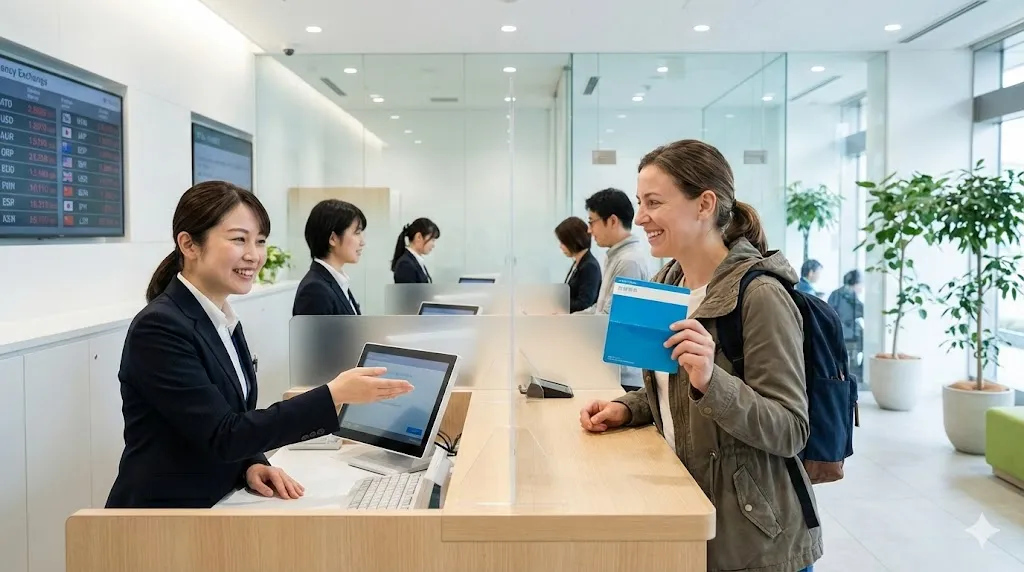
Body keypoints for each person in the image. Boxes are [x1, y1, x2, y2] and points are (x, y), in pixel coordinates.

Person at [579, 140, 820, 572]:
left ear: (704, 203)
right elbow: (673, 386)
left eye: (654, 202)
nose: (642, 217)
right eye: (639, 202)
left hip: (755, 543)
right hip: (687, 518)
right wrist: (627, 407)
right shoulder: (665, 281)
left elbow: (791, 429)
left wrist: (713, 380)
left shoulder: (760, 295)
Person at [106, 181, 413, 509]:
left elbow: (226, 417)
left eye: (261, 241)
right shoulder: (160, 327)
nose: (254, 255)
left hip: (218, 505)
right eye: (239, 239)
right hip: (158, 520)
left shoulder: (222, 317)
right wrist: (333, 394)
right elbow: (223, 434)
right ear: (189, 244)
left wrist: (252, 462)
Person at [580, 188, 651, 313]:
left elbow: (611, 316)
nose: (589, 230)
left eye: (591, 222)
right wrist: (568, 319)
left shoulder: (629, 261)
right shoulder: (616, 256)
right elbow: (599, 308)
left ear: (612, 221)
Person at [293, 199, 367, 316]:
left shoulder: (336, 281)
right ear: (333, 238)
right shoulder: (315, 290)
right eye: (357, 233)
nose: (362, 242)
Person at [554, 216, 601, 313]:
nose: (561, 246)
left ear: (573, 240)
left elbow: (584, 303)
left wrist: (559, 304)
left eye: (563, 242)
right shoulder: (578, 263)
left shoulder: (589, 266)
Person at [828, 269, 864, 381]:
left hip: (836, 333)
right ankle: (856, 372)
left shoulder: (835, 294)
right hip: (850, 334)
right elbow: (862, 311)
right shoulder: (851, 295)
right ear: (856, 283)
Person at [392, 217, 439, 283]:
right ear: (419, 237)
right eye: (432, 240)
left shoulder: (415, 261)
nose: (433, 245)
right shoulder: (405, 264)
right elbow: (409, 292)